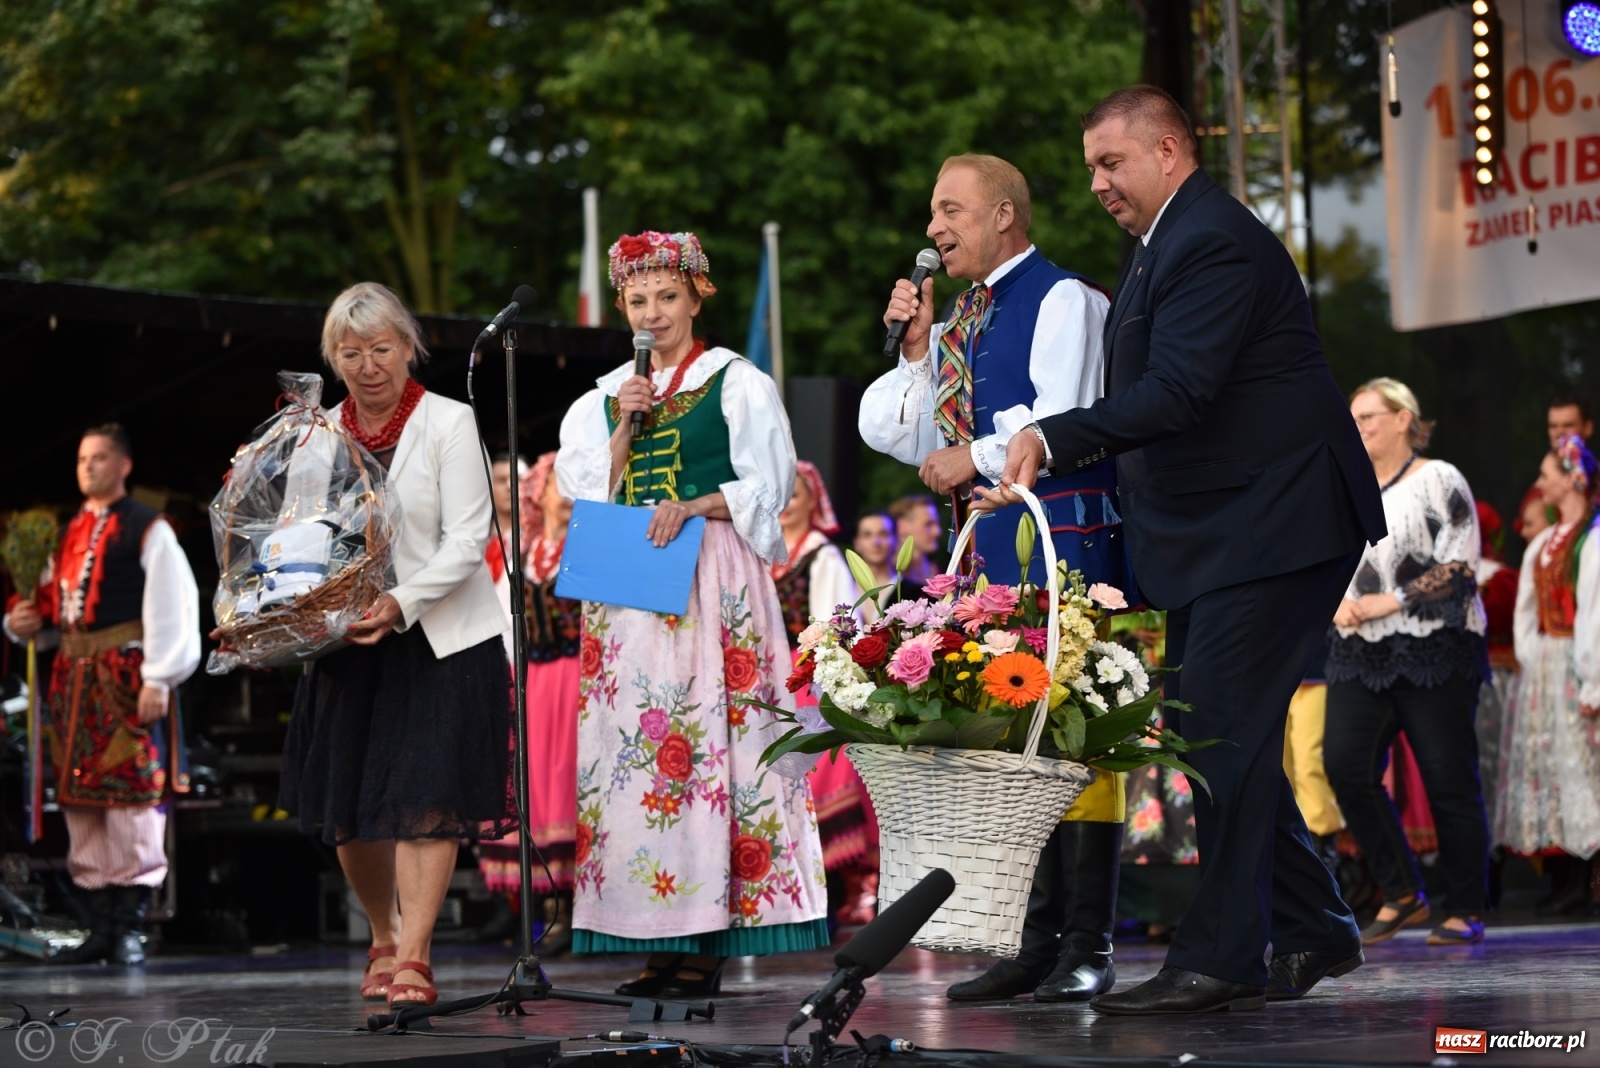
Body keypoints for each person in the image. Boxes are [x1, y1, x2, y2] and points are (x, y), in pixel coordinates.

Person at [982, 84, 1386, 1014]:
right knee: (1213, 730)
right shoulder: (1166, 242)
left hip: (1280, 520)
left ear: (1169, 151)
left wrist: (1053, 434)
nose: (1096, 183)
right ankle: (1315, 927)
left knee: (1216, 730)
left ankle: (1220, 957)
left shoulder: (1211, 240)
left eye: (1111, 162)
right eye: (1090, 167)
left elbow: (1179, 392)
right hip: (1237, 527)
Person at [863, 152, 1128, 1005]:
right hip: (995, 541)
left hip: (1063, 538)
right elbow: (899, 437)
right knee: (1014, 736)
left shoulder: (1064, 297)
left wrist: (971, 455)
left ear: (1005, 214)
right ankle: (1031, 942)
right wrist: (915, 350)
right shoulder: (963, 317)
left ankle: (1088, 944)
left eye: (951, 209)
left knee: (1076, 733)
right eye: (932, 211)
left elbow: (1065, 414)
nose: (933, 227)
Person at [555, 231, 827, 997]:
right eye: (638, 300)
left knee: (712, 751)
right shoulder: (604, 397)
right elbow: (582, 494)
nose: (653, 314)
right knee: (640, 758)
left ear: (696, 298)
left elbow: (771, 487)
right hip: (631, 590)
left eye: (667, 297)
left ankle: (709, 937)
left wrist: (699, 504)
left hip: (710, 577)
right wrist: (624, 427)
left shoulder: (736, 381)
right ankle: (656, 930)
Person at [275, 282, 515, 1010]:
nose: (368, 365)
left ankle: (416, 952)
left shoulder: (449, 420)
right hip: (349, 640)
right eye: (351, 353)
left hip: (437, 639)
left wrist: (401, 602)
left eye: (381, 349)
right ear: (332, 359)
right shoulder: (315, 433)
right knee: (348, 801)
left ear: (409, 347)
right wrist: (267, 608)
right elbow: (297, 539)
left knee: (426, 798)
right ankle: (382, 934)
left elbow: (469, 539)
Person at [3, 424, 200, 966]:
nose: (88, 467)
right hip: (73, 686)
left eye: (99, 457)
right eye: (82, 458)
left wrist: (159, 677)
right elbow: (54, 609)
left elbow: (173, 603)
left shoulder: (147, 528)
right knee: (80, 800)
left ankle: (128, 927)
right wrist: (23, 621)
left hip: (124, 682)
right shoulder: (69, 532)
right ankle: (98, 926)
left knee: (133, 797)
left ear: (124, 465)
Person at [1321, 379, 1490, 947]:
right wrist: (1335, 602)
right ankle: (1403, 892)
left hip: (1432, 646)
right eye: (1353, 418)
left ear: (1403, 418)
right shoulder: (1347, 487)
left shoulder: (1438, 477)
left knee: (1448, 778)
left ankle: (1465, 907)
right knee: (1346, 766)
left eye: (1368, 416)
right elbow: (1324, 561)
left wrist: (1390, 601)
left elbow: (1460, 562)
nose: (1359, 427)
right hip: (1360, 650)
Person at [476, 452, 581, 947]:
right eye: (557, 483)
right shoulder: (524, 553)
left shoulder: (586, 547)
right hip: (534, 682)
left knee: (572, 785)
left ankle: (579, 909)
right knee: (537, 790)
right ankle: (548, 907)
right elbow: (502, 621)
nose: (565, 493)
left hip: (578, 678)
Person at [774, 462, 880, 927]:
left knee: (818, 777)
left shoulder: (822, 555)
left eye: (795, 495)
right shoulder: (763, 556)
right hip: (771, 679)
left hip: (810, 677)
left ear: (813, 501)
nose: (786, 505)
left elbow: (835, 627)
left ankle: (836, 890)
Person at [1499, 435, 1600, 910]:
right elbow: (1525, 607)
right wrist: (1533, 655)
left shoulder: (1590, 539)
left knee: (1584, 766)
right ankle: (1568, 876)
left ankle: (1589, 874)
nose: (1539, 484)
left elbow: (1592, 612)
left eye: (1546, 475)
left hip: (1580, 661)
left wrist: (1591, 678)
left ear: (1571, 479)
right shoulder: (1544, 541)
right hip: (1548, 665)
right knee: (1555, 769)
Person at [886, 495, 942, 594]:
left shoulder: (944, 573)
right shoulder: (887, 577)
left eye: (937, 524)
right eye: (928, 524)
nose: (937, 532)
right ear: (902, 526)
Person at [850, 511, 896, 622]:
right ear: (857, 543)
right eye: (867, 535)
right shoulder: (844, 588)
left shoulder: (912, 593)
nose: (876, 542)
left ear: (895, 540)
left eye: (883, 534)